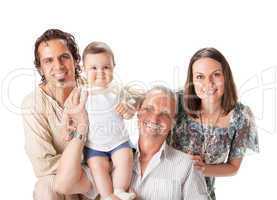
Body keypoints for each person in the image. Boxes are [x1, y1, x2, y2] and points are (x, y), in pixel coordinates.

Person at [55, 86, 209, 200]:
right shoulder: (117, 159)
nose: (155, 118)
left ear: (173, 123)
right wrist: (82, 128)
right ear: (138, 113)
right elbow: (64, 184)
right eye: (148, 109)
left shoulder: (186, 165)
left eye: (164, 114)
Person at [171, 47, 259, 200]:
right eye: (200, 76)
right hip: (163, 190)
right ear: (192, 80)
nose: (208, 83)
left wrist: (202, 168)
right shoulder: (176, 101)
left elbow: (233, 167)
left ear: (226, 77)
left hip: (202, 195)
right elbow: (144, 103)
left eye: (216, 75)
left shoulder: (241, 116)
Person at [22, 29, 93, 200]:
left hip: (99, 174)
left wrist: (132, 103)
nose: (58, 66)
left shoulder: (93, 87)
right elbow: (43, 165)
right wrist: (81, 161)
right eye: (48, 61)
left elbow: (129, 94)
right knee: (45, 188)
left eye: (64, 57)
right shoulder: (33, 105)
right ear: (40, 68)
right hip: (66, 178)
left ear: (75, 60)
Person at [81, 41, 140, 200]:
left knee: (125, 158)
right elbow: (73, 113)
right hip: (95, 145)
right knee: (96, 166)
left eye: (106, 67)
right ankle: (107, 195)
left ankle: (120, 190)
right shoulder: (83, 93)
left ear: (114, 67)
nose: (100, 72)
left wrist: (128, 110)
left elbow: (130, 111)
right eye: (93, 68)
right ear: (83, 70)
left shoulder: (118, 90)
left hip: (118, 141)